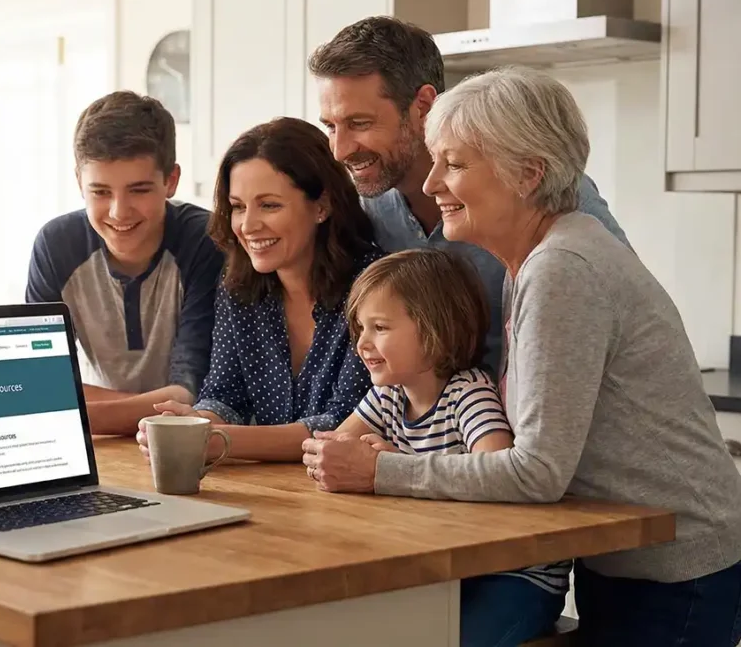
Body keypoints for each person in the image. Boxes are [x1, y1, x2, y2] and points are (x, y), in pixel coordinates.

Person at [302, 65, 741, 646]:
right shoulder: (540, 259)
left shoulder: (562, 270)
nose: (432, 184)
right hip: (635, 562)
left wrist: (379, 470)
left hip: (676, 570)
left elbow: (536, 473)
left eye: (454, 164)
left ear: (527, 175)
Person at [307, 16, 631, 377]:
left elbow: (623, 316)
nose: (340, 150)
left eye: (360, 123)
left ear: (423, 105)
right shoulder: (367, 208)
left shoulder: (542, 193)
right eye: (331, 127)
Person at [333, 247, 568, 647]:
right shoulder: (388, 396)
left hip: (514, 576)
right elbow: (336, 452)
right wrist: (341, 456)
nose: (362, 344)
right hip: (445, 569)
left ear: (434, 329)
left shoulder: (468, 393)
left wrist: (393, 464)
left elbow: (496, 472)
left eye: (380, 328)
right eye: (361, 328)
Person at [136, 116, 382, 462]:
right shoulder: (239, 286)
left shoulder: (376, 287)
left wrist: (215, 441)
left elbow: (345, 424)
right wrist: (192, 423)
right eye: (238, 207)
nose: (247, 225)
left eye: (269, 205)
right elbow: (224, 394)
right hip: (276, 491)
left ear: (322, 206)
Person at [26, 91, 224, 435]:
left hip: (192, 444)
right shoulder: (55, 245)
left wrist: (68, 411)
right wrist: (138, 409)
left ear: (171, 181)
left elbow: (189, 394)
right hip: (103, 447)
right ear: (79, 182)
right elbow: (39, 380)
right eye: (101, 192)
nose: (119, 212)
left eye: (139, 190)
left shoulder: (205, 242)